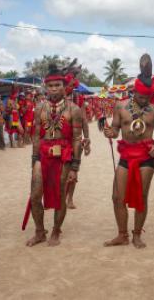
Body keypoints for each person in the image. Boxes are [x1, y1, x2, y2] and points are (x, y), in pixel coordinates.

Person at [103, 54, 154, 248]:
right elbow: (115, 129)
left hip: (146, 157)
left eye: (147, 96)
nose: (143, 99)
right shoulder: (120, 107)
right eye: (140, 96)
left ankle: (137, 234)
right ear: (134, 92)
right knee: (117, 197)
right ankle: (122, 235)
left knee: (142, 196)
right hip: (126, 155)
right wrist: (111, 132)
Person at [26, 65, 83, 247]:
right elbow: (36, 135)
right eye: (50, 86)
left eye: (57, 85)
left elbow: (76, 139)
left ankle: (56, 230)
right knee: (35, 196)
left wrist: (75, 166)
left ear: (64, 86)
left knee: (59, 195)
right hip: (42, 155)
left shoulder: (73, 109)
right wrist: (34, 158)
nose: (54, 89)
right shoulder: (39, 108)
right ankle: (40, 231)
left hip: (64, 156)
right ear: (45, 87)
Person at [64, 71, 91, 209]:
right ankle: (57, 196)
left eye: (71, 85)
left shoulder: (78, 99)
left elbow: (84, 120)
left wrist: (87, 138)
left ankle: (70, 199)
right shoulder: (52, 99)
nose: (69, 87)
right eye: (68, 84)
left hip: (75, 140)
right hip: (57, 140)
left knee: (73, 170)